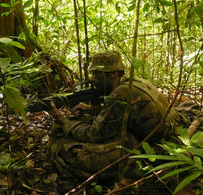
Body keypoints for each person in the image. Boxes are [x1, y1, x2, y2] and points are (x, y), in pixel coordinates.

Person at [46, 50, 184, 180]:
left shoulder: (121, 92)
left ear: (113, 75)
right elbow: (124, 111)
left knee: (63, 149)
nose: (92, 79)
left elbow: (94, 135)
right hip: (169, 136)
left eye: (96, 74)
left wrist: (63, 120)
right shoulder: (134, 82)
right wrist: (90, 109)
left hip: (155, 147)